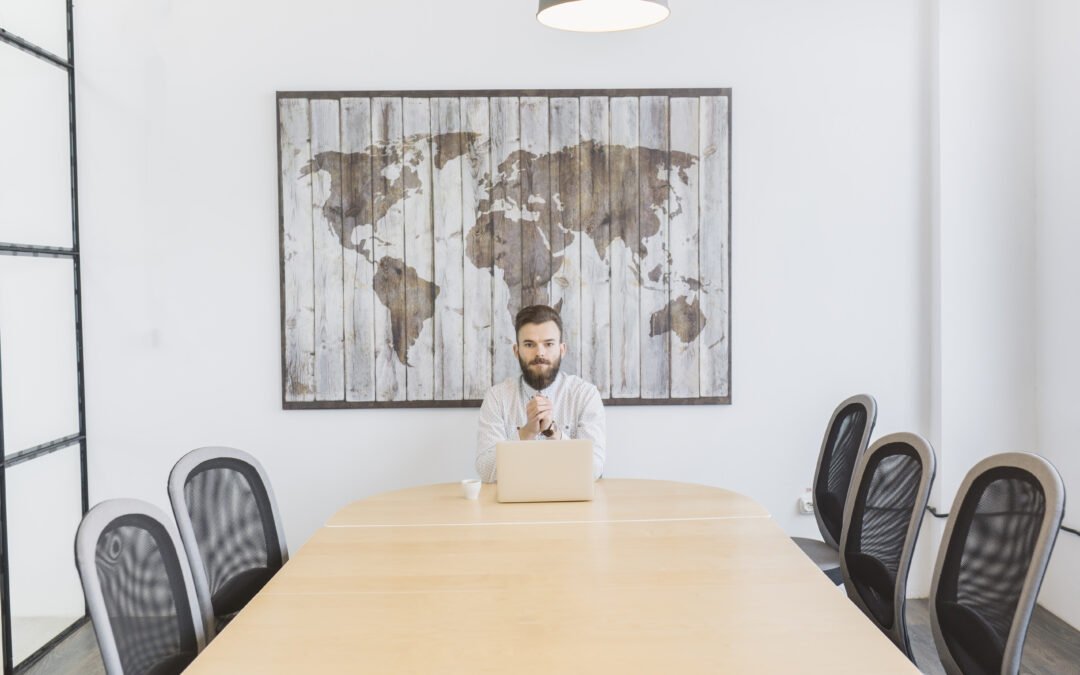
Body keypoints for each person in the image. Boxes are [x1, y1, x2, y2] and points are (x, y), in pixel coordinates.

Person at [475, 305, 606, 482]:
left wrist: (552, 432)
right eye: (529, 344)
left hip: (572, 506)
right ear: (516, 350)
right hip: (512, 506)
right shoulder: (497, 397)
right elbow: (485, 471)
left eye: (549, 344)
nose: (540, 353)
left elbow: (594, 468)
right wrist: (527, 432)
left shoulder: (585, 395)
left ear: (562, 349)